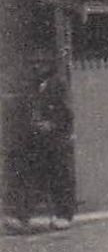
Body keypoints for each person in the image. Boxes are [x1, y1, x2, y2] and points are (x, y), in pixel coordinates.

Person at [5, 64, 76, 232]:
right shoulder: (31, 88)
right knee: (29, 177)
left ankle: (63, 215)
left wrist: (52, 124)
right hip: (34, 141)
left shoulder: (57, 88)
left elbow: (65, 115)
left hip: (53, 141)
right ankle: (21, 216)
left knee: (58, 175)